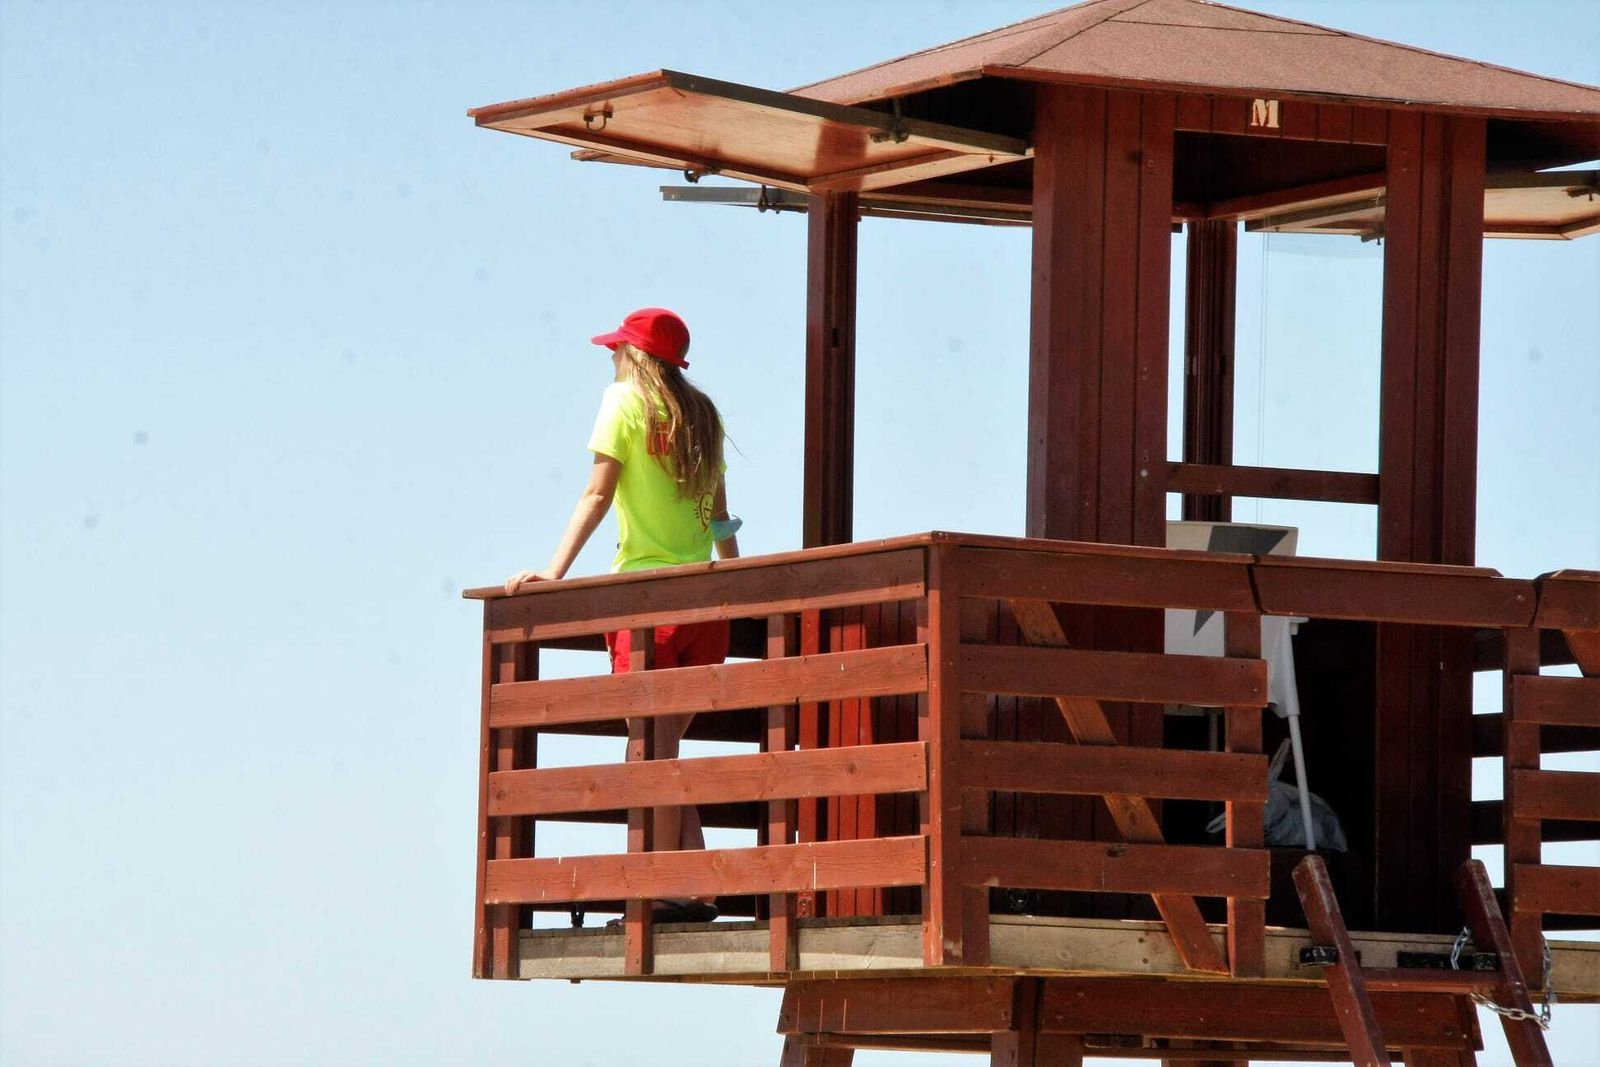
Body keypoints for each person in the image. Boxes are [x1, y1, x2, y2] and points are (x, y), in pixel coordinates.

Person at [504, 307, 739, 924]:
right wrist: (738, 578)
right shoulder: (703, 414)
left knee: (648, 750)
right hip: (706, 606)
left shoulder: (623, 399)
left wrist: (552, 572)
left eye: (616, 349)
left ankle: (670, 888)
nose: (610, 358)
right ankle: (695, 887)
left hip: (645, 604)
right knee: (661, 750)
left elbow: (597, 492)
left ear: (635, 354)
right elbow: (719, 515)